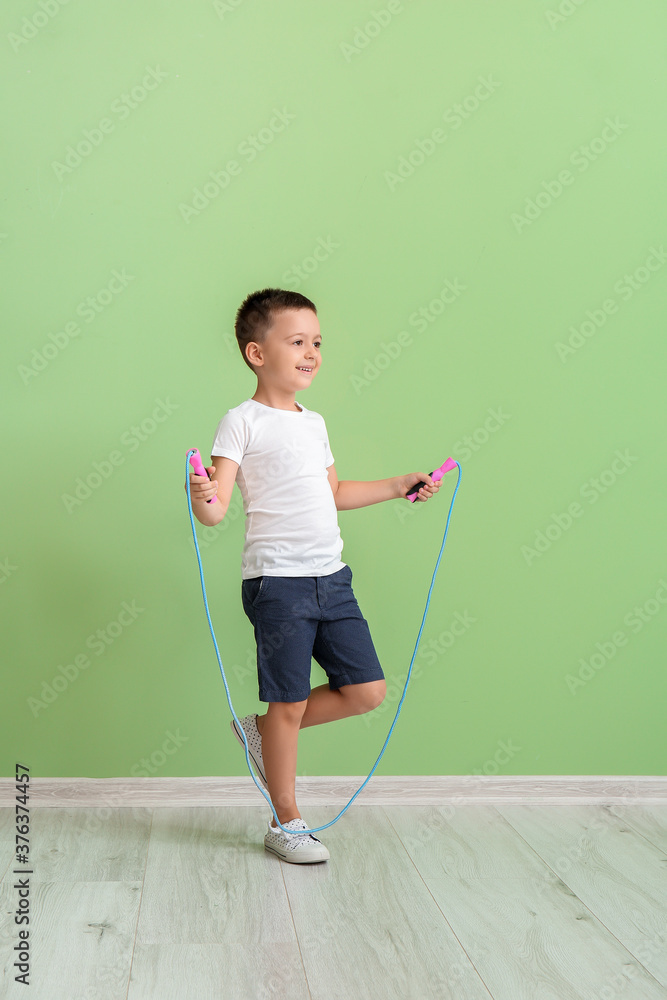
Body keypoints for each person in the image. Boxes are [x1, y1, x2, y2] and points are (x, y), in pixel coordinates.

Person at [186, 288, 441, 864]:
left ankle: (260, 733)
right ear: (257, 353)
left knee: (366, 690)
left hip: (333, 578)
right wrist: (201, 492)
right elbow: (216, 509)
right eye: (296, 342)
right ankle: (286, 820)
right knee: (289, 702)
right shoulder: (241, 421)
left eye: (317, 342)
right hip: (277, 583)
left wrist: (398, 485)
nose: (311, 353)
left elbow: (333, 493)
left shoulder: (314, 422)